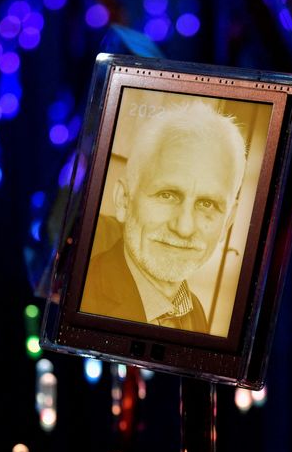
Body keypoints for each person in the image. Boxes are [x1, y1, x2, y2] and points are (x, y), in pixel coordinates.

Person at [80, 101, 247, 334]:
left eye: (207, 204)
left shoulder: (194, 311)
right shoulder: (82, 295)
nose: (184, 227)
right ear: (124, 200)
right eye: (167, 195)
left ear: (228, 221)